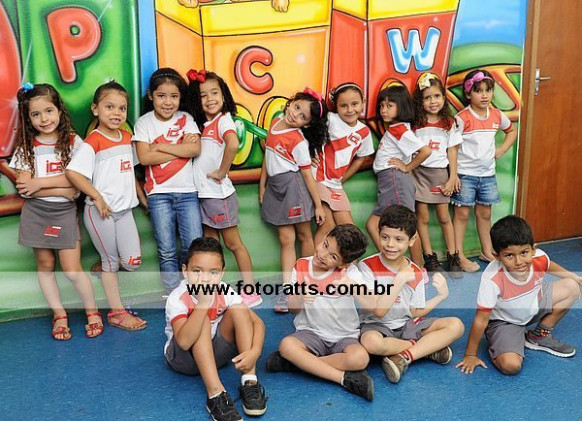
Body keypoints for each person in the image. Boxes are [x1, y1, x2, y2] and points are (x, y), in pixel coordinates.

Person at [9, 82, 102, 340]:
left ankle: (93, 312)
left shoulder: (73, 142)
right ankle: (59, 314)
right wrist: (62, 189)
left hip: (64, 214)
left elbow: (79, 181)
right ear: (28, 118)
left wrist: (40, 183)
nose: (44, 119)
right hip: (36, 213)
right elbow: (25, 188)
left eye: (48, 111)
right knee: (46, 265)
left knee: (72, 269)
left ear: (59, 110)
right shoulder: (26, 146)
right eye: (36, 114)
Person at [456, 215, 581, 375]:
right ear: (496, 256)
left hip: (533, 303)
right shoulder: (492, 279)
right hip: (505, 321)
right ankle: (502, 341)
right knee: (511, 366)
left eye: (524, 253)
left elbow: (549, 264)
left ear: (533, 249)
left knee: (572, 286)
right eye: (509, 255)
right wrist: (470, 355)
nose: (519, 261)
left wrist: (572, 276)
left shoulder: (539, 257)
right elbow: (481, 319)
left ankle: (538, 336)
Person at [66, 81, 146, 331]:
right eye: (109, 107)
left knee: (132, 262)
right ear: (95, 109)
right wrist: (98, 198)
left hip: (125, 212)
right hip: (100, 212)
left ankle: (105, 267)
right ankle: (117, 313)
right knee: (112, 262)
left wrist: (142, 198)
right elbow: (73, 173)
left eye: (122, 108)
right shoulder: (93, 142)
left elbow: (129, 173)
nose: (116, 113)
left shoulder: (127, 138)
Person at [266, 224, 375, 401]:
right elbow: (292, 309)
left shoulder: (350, 274)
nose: (323, 255)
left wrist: (353, 287)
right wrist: (301, 297)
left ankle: (297, 364)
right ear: (324, 238)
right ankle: (341, 378)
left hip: (343, 336)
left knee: (360, 358)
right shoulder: (301, 265)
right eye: (325, 245)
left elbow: (371, 306)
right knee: (287, 345)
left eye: (333, 256)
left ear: (344, 263)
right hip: (311, 333)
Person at [164, 237, 267, 421]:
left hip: (214, 354)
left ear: (222, 273)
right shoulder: (177, 297)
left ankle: (249, 381)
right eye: (197, 271)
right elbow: (184, 342)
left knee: (239, 310)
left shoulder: (223, 290)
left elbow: (258, 323)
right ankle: (215, 394)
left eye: (213, 272)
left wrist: (255, 352)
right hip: (184, 359)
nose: (205, 278)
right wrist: (203, 303)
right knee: (201, 319)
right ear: (185, 271)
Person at [359, 205, 464, 383]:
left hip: (406, 325)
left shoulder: (415, 271)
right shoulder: (367, 266)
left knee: (456, 325)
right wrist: (398, 280)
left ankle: (403, 356)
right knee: (371, 343)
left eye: (398, 239)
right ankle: (423, 349)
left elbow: (415, 311)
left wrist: (440, 297)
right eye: (385, 237)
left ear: (412, 239)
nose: (390, 244)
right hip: (376, 326)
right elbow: (378, 311)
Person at [187, 69, 260, 308]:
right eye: (203, 95)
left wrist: (221, 171)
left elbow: (233, 143)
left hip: (219, 196)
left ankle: (250, 291)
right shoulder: (204, 125)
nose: (210, 99)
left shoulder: (223, 120)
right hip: (205, 196)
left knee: (233, 244)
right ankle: (214, 293)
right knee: (211, 245)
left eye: (214, 93)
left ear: (223, 94)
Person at [133, 68, 202, 294]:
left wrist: (161, 146)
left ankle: (190, 289)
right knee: (167, 250)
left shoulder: (186, 119)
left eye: (174, 96)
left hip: (188, 193)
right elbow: (145, 158)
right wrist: (181, 148)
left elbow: (195, 149)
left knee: (193, 245)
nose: (168, 102)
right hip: (158, 195)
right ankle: (173, 293)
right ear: (151, 96)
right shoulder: (143, 123)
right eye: (161, 96)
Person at [259, 87, 327, 313]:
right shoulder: (275, 122)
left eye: (302, 116)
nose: (295, 114)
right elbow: (268, 157)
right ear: (291, 102)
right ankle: (288, 289)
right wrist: (262, 186)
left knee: (304, 235)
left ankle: (307, 286)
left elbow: (307, 175)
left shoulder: (298, 141)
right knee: (286, 238)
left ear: (306, 124)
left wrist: (318, 205)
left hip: (294, 187)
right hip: (276, 187)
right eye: (296, 107)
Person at [451, 69, 518, 272]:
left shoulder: (497, 115)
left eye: (488, 90)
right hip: (465, 175)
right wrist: (453, 175)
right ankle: (458, 255)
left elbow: (511, 130)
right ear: (468, 93)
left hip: (487, 175)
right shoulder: (462, 118)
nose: (484, 95)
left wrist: (502, 149)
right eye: (478, 91)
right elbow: (452, 147)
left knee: (485, 213)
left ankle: (486, 251)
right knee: (462, 214)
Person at [365, 83, 431, 266]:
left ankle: (414, 268)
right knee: (375, 224)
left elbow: (425, 151)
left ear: (401, 106)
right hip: (390, 182)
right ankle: (399, 265)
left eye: (389, 105)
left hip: (395, 181)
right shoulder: (396, 128)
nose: (383, 110)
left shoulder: (398, 129)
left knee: (404, 227)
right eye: (381, 105)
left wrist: (407, 167)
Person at [411, 72, 463, 277]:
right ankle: (429, 257)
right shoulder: (415, 123)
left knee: (444, 216)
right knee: (422, 217)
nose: (433, 101)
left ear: (443, 97)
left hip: (441, 173)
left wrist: (452, 177)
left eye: (437, 96)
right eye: (427, 97)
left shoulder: (450, 123)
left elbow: (452, 151)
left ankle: (453, 256)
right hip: (419, 174)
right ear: (420, 101)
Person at [312, 82, 374, 246]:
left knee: (349, 230)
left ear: (363, 102)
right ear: (336, 107)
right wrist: (309, 155)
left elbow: (360, 158)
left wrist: (343, 178)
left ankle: (344, 261)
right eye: (343, 106)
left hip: (336, 185)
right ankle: (312, 262)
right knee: (327, 227)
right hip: (318, 179)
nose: (350, 110)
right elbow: (307, 133)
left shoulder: (364, 132)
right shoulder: (330, 120)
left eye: (354, 104)